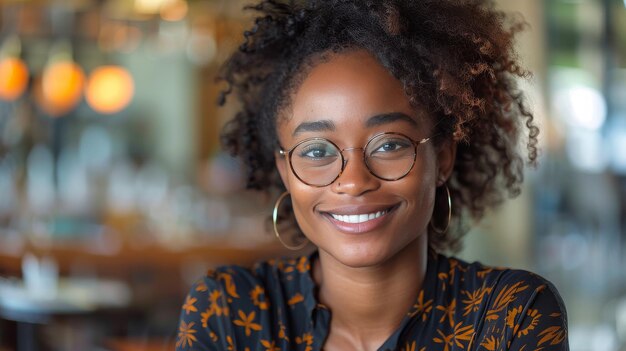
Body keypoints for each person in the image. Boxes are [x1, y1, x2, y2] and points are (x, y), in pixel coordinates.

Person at [176, 0, 569, 350]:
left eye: (388, 145)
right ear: (285, 171)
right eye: (316, 151)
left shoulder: (510, 317)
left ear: (442, 158)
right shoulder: (229, 313)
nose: (353, 181)